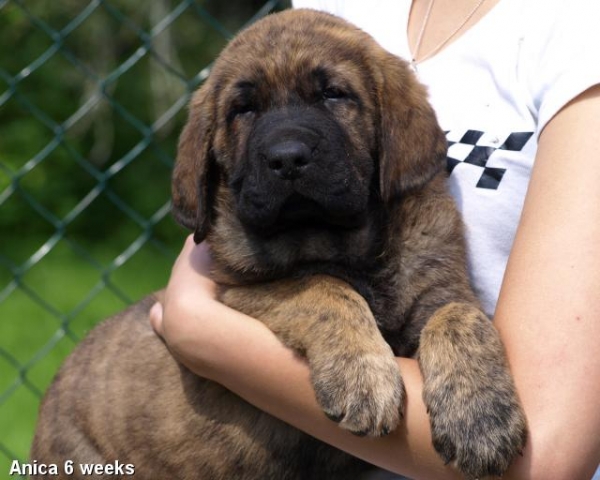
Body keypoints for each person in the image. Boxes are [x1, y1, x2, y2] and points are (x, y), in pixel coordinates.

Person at [149, 0, 600, 478]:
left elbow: (547, 455)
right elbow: (210, 276)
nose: (286, 149)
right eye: (245, 109)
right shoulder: (332, 9)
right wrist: (319, 315)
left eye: (331, 97)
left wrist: (199, 329)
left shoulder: (574, 29)